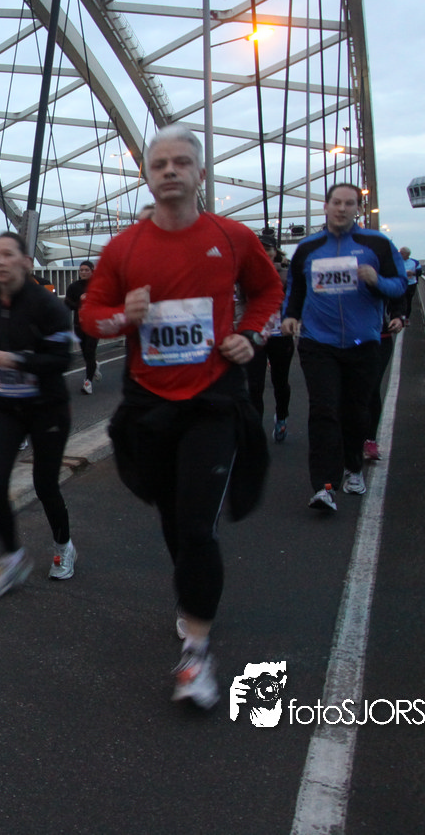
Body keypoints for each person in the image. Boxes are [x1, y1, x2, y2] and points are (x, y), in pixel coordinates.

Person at [80, 124, 283, 711]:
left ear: (200, 173)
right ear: (147, 176)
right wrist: (124, 316)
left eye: (181, 162)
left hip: (212, 400)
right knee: (173, 518)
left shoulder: (232, 237)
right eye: (159, 163)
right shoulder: (123, 249)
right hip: (149, 403)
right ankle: (193, 589)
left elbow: (269, 293)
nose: (170, 170)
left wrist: (250, 334)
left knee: (196, 525)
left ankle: (196, 652)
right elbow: (91, 317)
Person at [282, 184, 406, 511]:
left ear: (358, 209)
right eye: (336, 202)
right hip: (317, 342)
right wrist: (289, 316)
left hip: (362, 343)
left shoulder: (377, 244)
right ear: (325, 207)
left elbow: (400, 285)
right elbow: (295, 289)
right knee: (323, 411)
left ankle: (353, 467)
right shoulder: (308, 248)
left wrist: (376, 280)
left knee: (355, 411)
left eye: (349, 204)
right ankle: (324, 486)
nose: (341, 209)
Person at [0, 232, 76, 597]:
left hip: (48, 407)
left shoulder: (48, 306)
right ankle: (13, 558)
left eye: (7, 254)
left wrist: (12, 360)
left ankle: (63, 545)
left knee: (45, 485)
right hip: (8, 406)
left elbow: (61, 360)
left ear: (26, 263)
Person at [245, 228, 295, 442]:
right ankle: (256, 429)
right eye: (260, 248)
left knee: (280, 381)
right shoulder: (245, 272)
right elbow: (238, 301)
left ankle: (281, 417)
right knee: (254, 385)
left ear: (276, 251)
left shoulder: (287, 272)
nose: (264, 252)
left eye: (268, 249)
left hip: (280, 335)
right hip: (255, 335)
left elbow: (295, 299)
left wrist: (292, 318)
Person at [364, 311, 406, 461]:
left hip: (380, 338)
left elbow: (398, 297)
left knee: (371, 388)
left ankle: (370, 439)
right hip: (348, 337)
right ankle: (348, 438)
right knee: (349, 388)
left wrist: (399, 316)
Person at [63, 261, 99, 394]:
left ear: (92, 271)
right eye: (81, 270)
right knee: (85, 352)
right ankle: (94, 365)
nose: (83, 272)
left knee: (90, 351)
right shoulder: (74, 287)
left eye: (86, 270)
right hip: (79, 325)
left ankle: (88, 383)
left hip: (95, 325)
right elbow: (67, 303)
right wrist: (79, 304)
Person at [399, 246, 423, 321]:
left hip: (411, 284)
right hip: (400, 284)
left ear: (407, 254)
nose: (400, 254)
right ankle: (400, 317)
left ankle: (406, 318)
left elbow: (420, 272)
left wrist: (412, 273)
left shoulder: (415, 262)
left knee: (408, 301)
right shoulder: (397, 262)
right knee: (400, 301)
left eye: (402, 253)